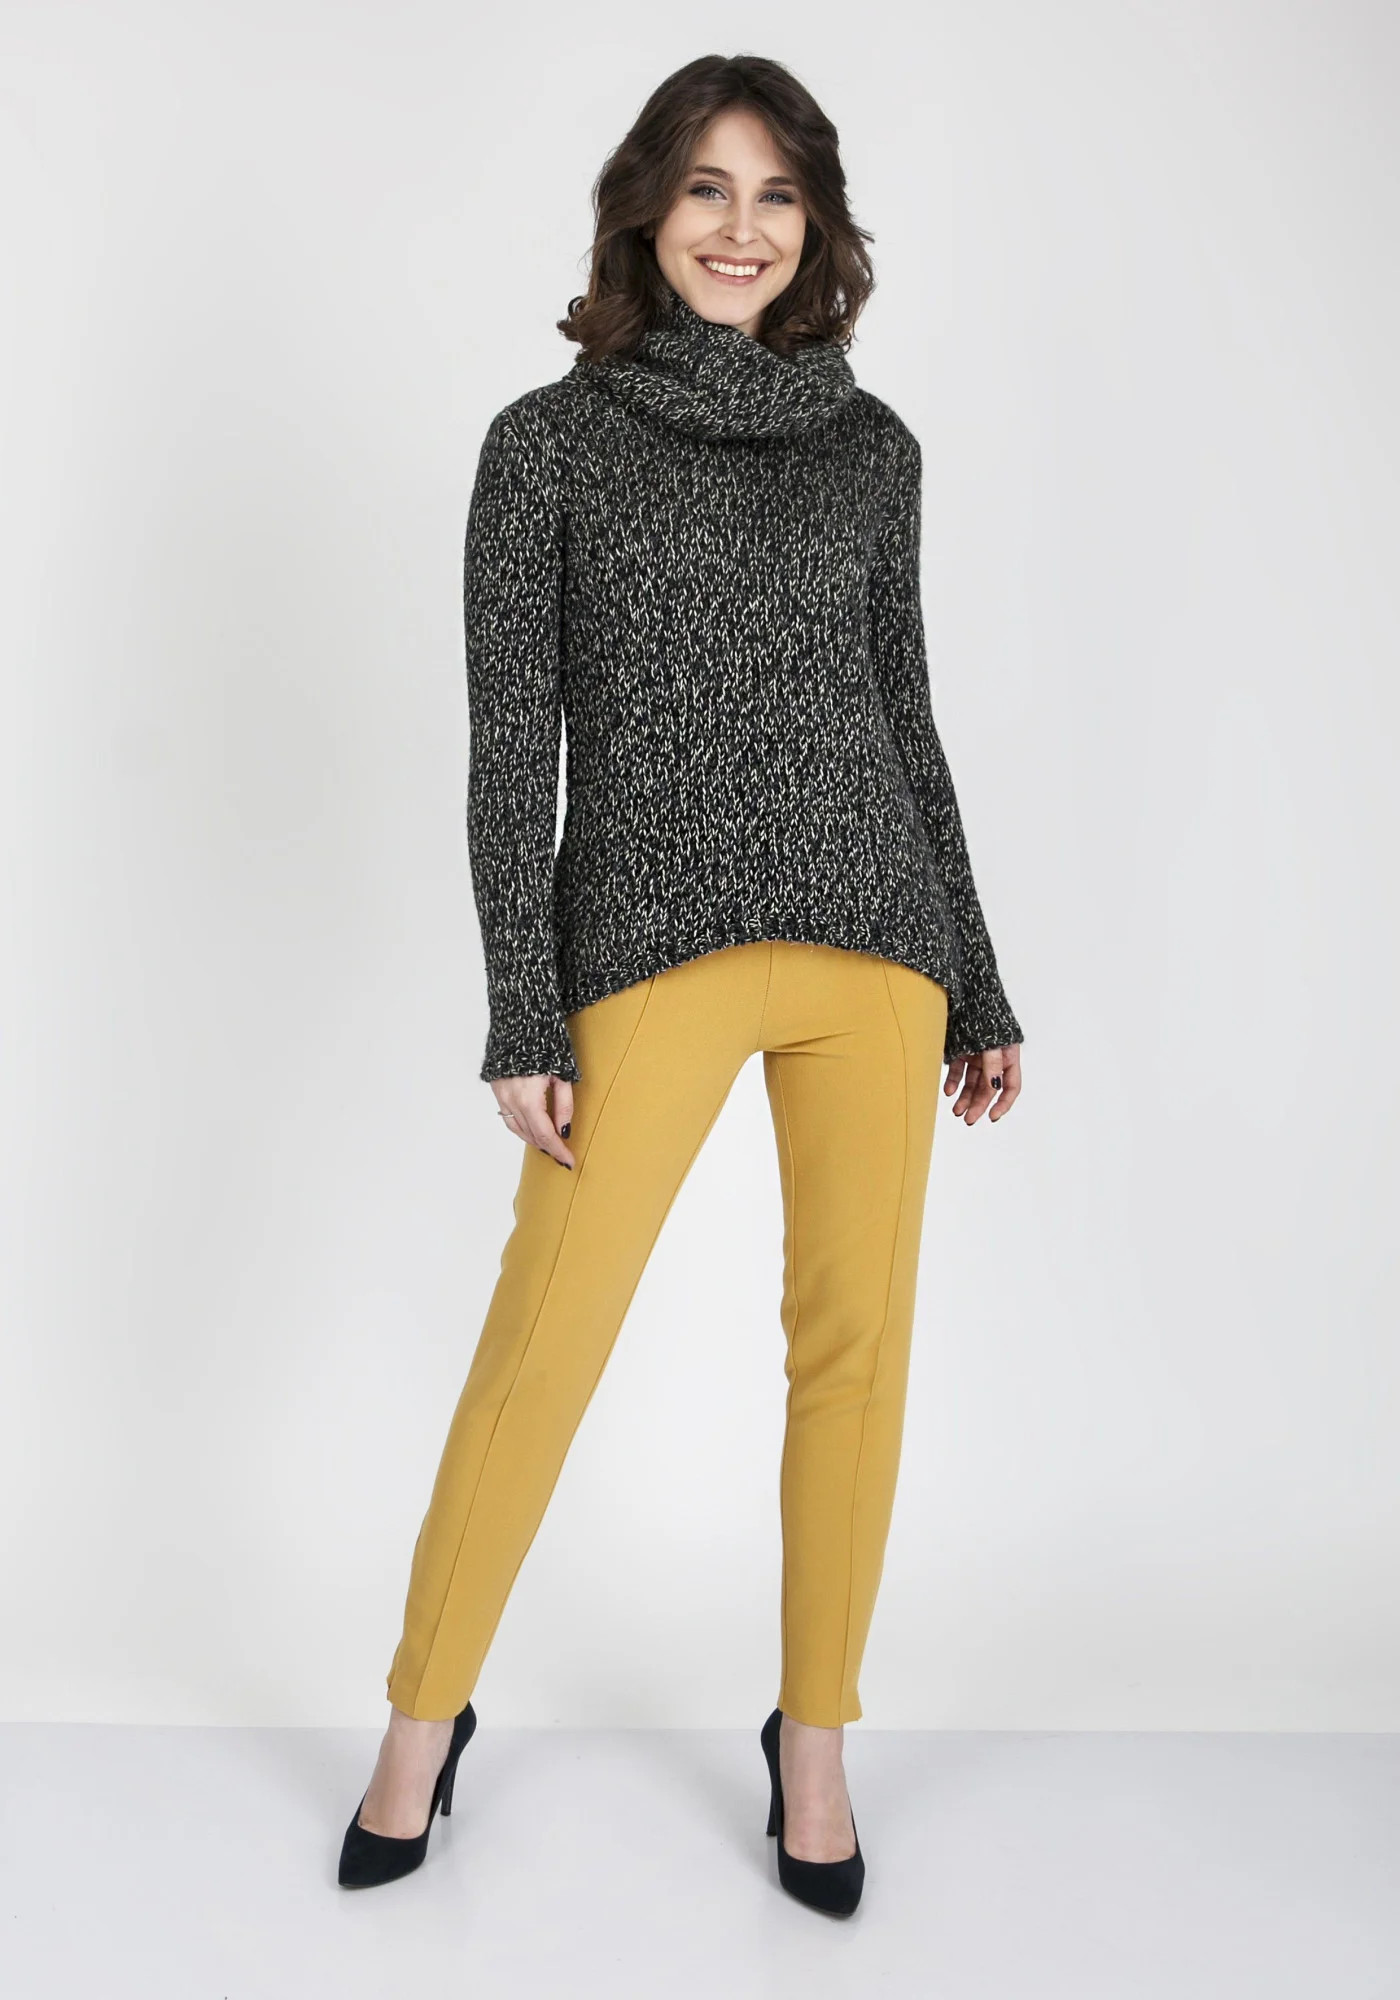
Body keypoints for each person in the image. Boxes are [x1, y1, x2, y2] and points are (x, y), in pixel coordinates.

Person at [338, 52, 1024, 1915]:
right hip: (646, 941)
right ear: (646, 208)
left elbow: (904, 718)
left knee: (855, 1355)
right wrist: (520, 1007)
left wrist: (976, 976)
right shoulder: (545, 445)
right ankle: (421, 1720)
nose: (741, 227)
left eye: (777, 193)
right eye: (709, 188)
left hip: (878, 945)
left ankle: (816, 1743)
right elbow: (512, 751)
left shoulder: (875, 451)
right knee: (543, 1348)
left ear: (818, 226)